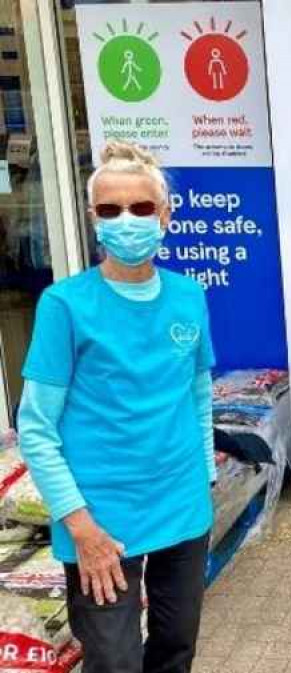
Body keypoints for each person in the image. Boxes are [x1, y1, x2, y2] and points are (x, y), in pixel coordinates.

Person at [17, 141, 216, 673]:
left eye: (141, 208)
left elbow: (197, 393)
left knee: (176, 648)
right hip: (100, 520)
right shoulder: (64, 305)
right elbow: (35, 428)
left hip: (182, 506)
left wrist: (204, 482)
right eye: (110, 210)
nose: (126, 220)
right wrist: (80, 526)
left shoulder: (188, 295)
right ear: (93, 220)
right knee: (114, 662)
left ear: (165, 215)